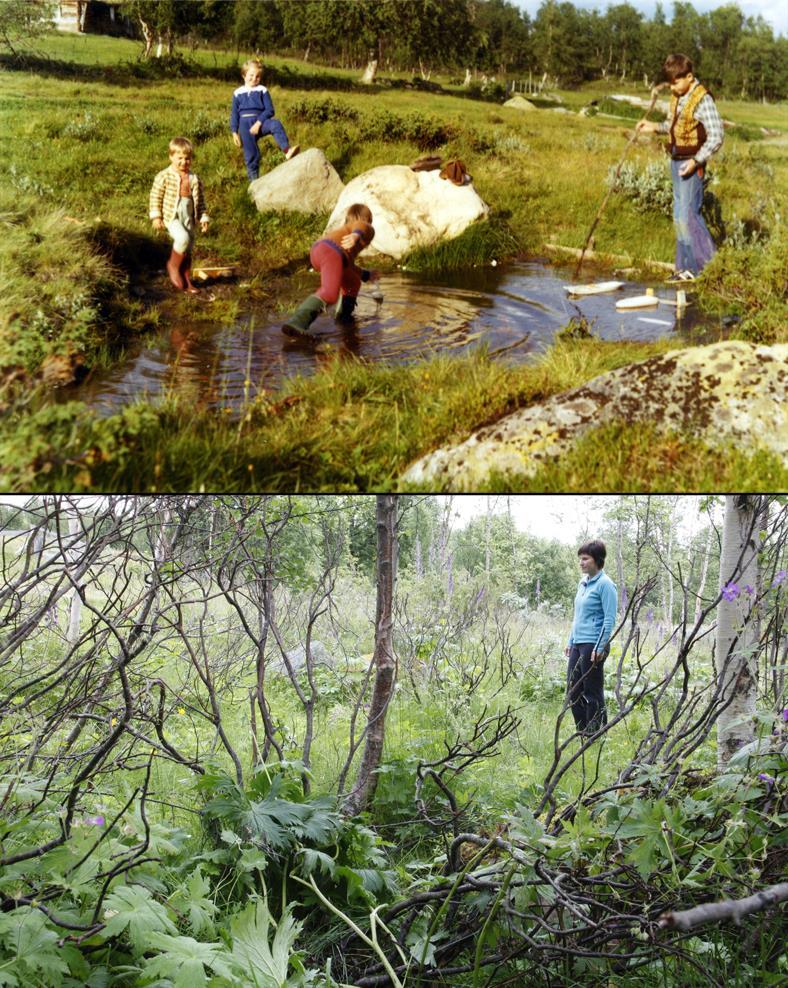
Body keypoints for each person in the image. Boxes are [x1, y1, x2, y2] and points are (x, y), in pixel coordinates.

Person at [636, 53, 724, 284]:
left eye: (675, 82)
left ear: (689, 76)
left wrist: (696, 161)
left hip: (691, 163)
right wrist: (653, 126)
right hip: (675, 160)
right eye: (670, 83)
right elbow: (672, 126)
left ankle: (706, 271)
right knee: (678, 217)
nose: (672, 87)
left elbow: (716, 136)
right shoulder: (678, 95)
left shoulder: (703, 99)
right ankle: (684, 268)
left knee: (689, 216)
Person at [282, 203, 380, 338]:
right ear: (368, 219)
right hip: (332, 252)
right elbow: (362, 226)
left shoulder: (342, 234)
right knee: (330, 293)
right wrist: (356, 235)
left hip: (320, 251)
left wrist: (365, 275)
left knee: (352, 282)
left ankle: (344, 317)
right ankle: (297, 322)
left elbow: (349, 265)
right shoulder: (366, 230)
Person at [565, 540, 618, 737]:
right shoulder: (583, 583)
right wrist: (571, 641)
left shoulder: (606, 585)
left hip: (593, 645)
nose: (581, 562)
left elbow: (609, 619)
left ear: (597, 560)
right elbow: (577, 615)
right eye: (580, 559)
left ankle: (595, 734)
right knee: (573, 690)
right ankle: (582, 731)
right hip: (579, 643)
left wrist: (600, 646)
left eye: (585, 559)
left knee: (592, 691)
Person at [149, 137, 210, 294]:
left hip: (188, 215)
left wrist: (203, 217)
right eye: (180, 158)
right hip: (172, 214)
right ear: (171, 157)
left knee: (188, 246)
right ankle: (173, 266)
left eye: (187, 158)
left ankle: (186, 280)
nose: (184, 162)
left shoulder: (194, 178)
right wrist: (156, 216)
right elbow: (155, 196)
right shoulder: (164, 175)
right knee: (182, 238)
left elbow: (200, 200)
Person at [231, 59, 299, 181]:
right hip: (245, 126)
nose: (254, 79)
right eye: (251, 75)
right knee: (251, 155)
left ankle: (287, 150)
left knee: (276, 125)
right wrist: (234, 132)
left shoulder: (262, 90)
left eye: (258, 76)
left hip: (260, 122)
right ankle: (254, 183)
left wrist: (259, 123)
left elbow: (270, 110)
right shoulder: (237, 93)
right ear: (244, 75)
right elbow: (234, 114)